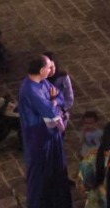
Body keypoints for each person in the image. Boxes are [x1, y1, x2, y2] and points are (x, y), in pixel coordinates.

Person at [19, 55, 72, 208]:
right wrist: (54, 101)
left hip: (51, 136)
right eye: (49, 67)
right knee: (40, 176)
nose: (51, 70)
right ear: (42, 70)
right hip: (39, 139)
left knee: (56, 171)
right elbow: (51, 110)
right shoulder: (30, 90)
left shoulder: (42, 82)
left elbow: (59, 97)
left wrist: (54, 100)